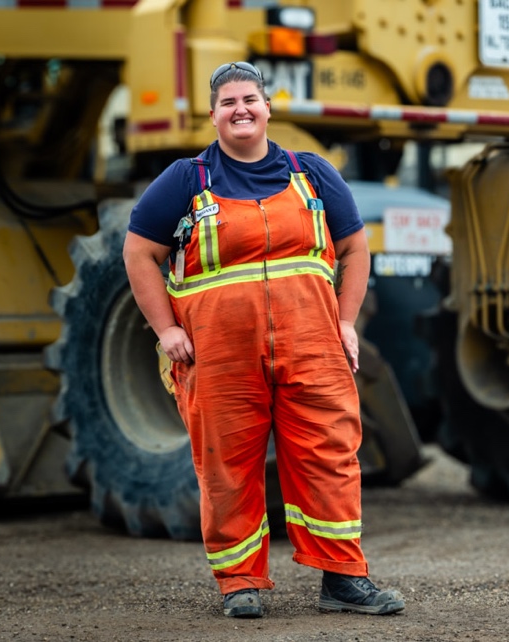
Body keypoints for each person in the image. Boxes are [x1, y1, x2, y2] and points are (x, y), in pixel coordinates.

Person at [122, 61, 405, 618]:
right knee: (227, 465)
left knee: (330, 457)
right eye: (228, 103)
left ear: (268, 107)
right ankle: (239, 583)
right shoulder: (187, 179)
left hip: (313, 348)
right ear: (213, 115)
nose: (241, 110)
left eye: (250, 99)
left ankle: (344, 580)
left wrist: (345, 322)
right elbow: (139, 252)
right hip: (221, 355)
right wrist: (166, 330)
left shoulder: (314, 174)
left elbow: (354, 249)